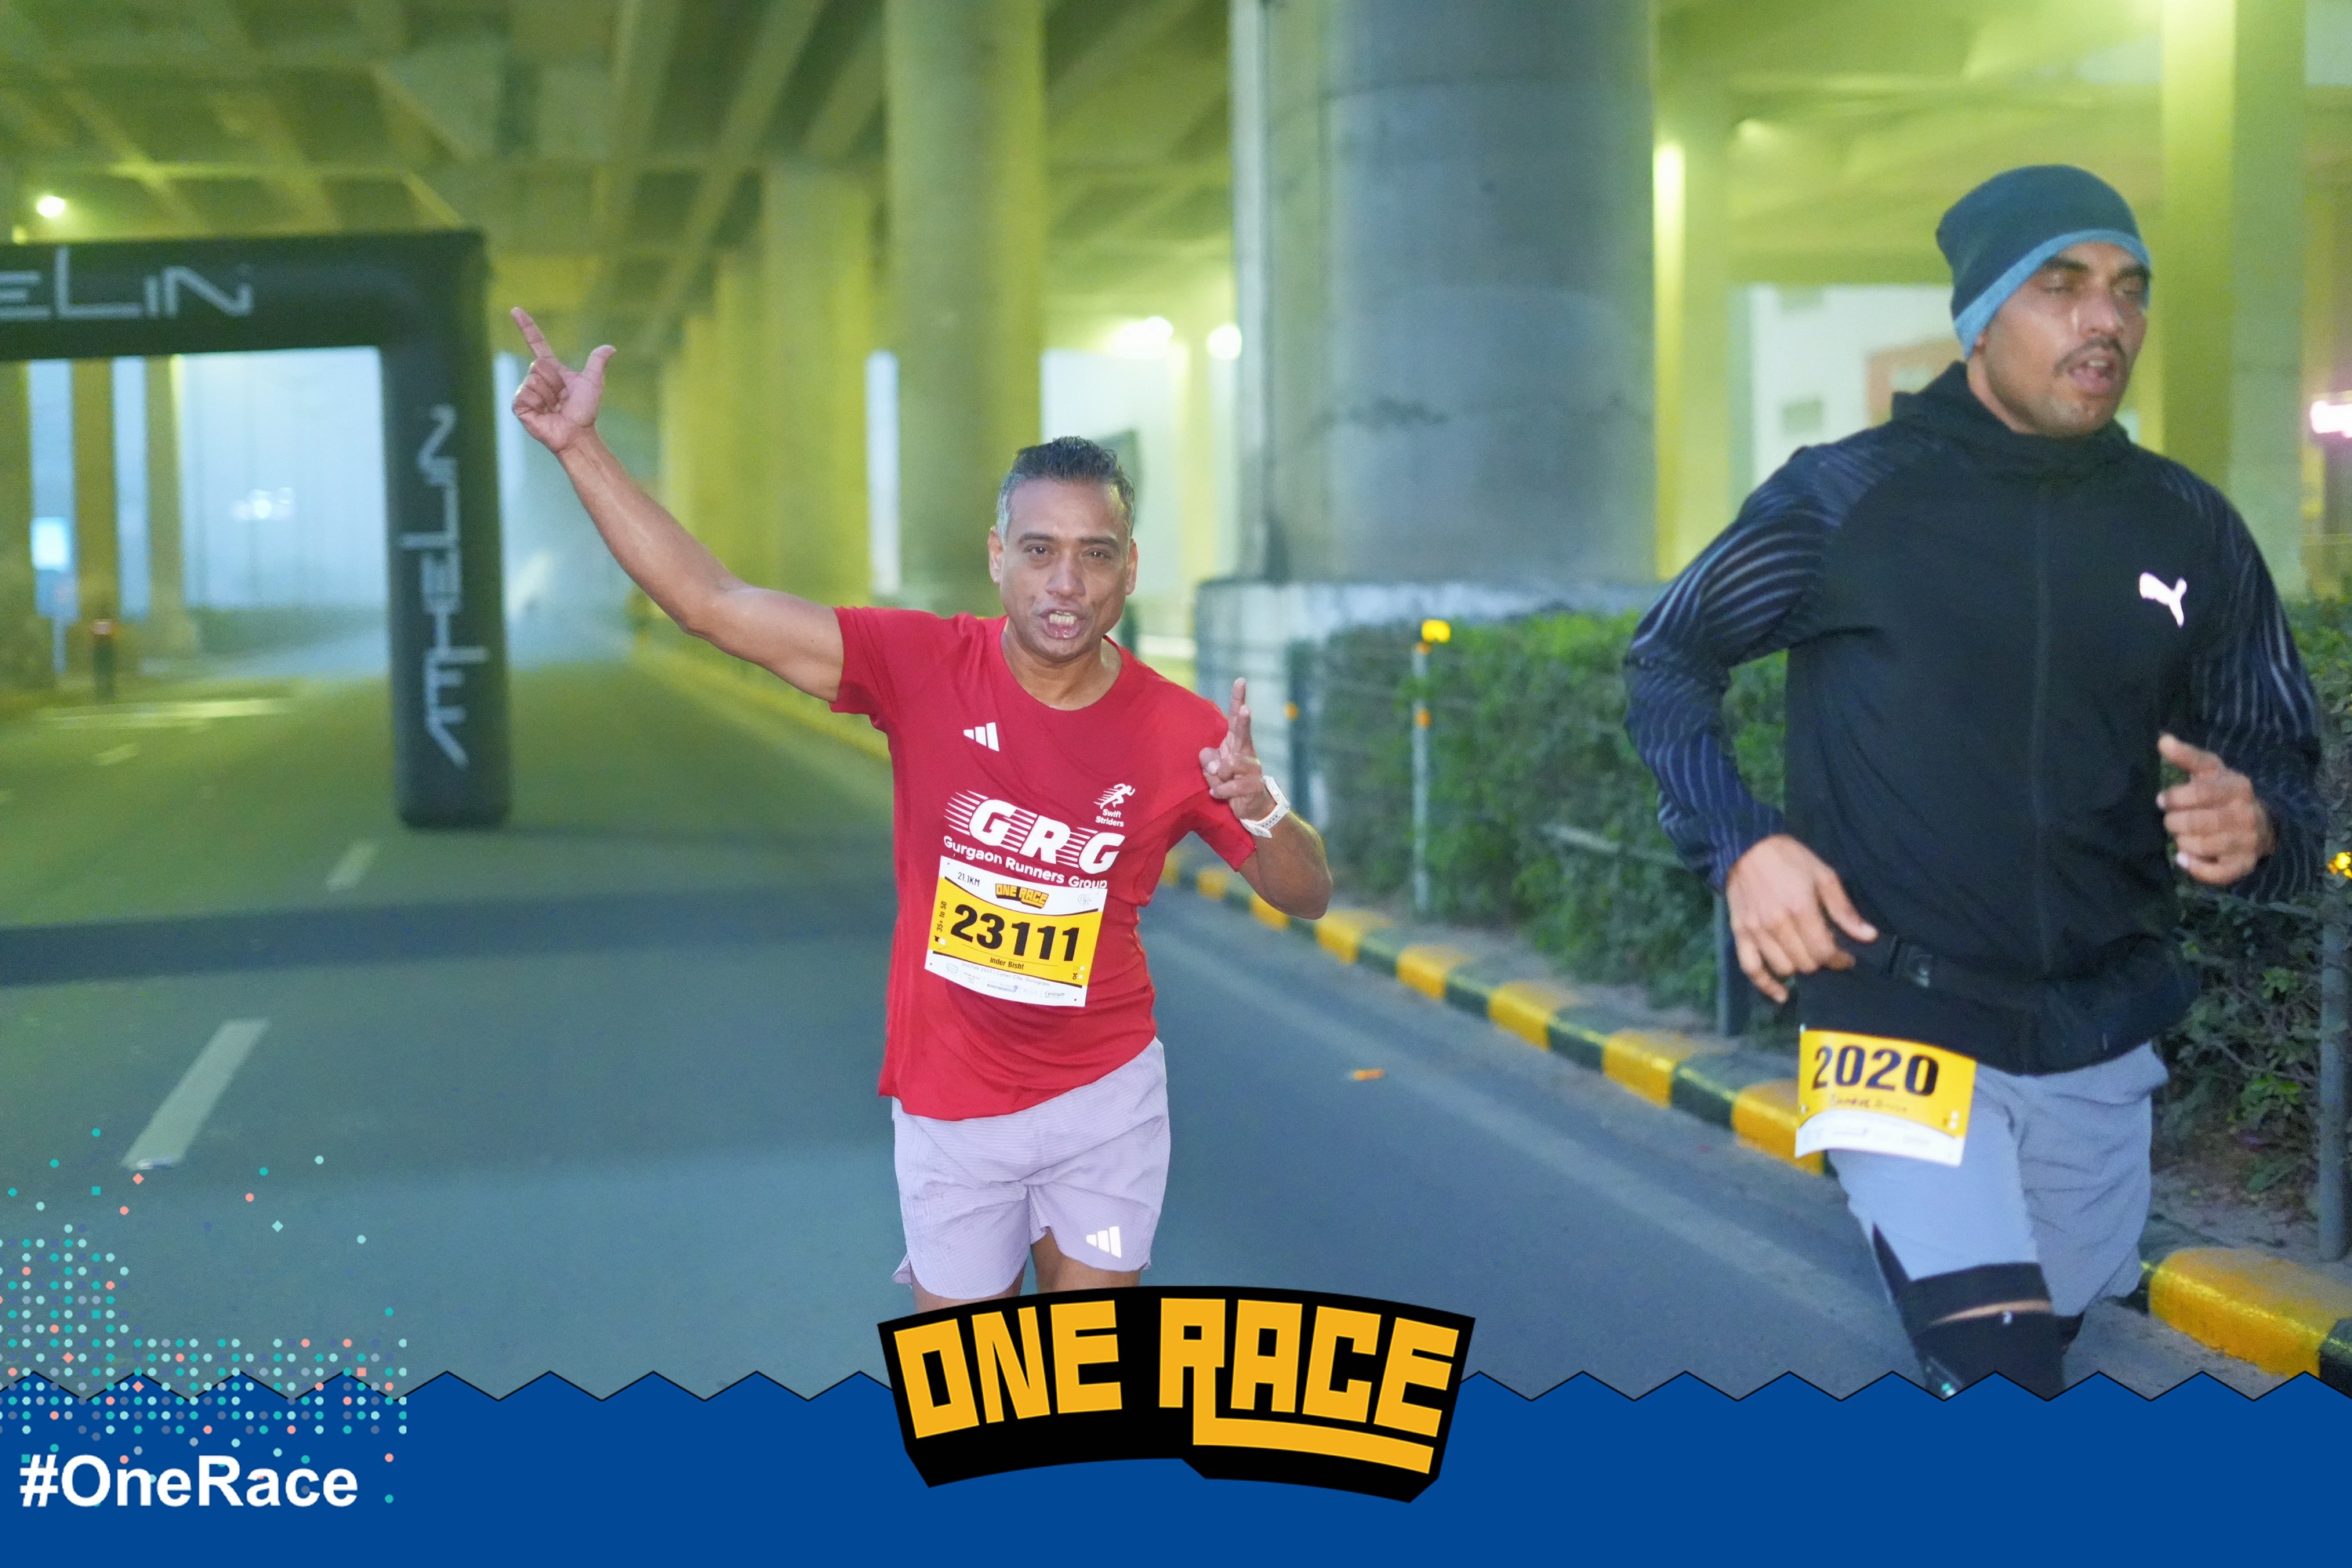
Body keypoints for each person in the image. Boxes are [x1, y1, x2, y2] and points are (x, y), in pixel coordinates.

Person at [1624, 165, 2322, 1397]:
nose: (2105, 320)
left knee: (2037, 1351)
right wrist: (1742, 845)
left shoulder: (2189, 527)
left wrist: (2258, 819)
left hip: (2102, 1029)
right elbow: (1669, 658)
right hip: (1897, 1014)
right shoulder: (1845, 496)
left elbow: (2286, 766)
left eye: (2128, 289)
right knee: (1998, 1369)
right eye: (2062, 286)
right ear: (1981, 319)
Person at [506, 309, 1333, 1310]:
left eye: (1095, 553)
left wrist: (1265, 806)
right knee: (971, 1386)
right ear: (996, 555)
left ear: (1129, 565)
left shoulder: (1184, 729)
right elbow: (711, 603)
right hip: (953, 1109)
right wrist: (579, 446)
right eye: (1039, 549)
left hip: (1107, 1100)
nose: (1066, 583)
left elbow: (1307, 893)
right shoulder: (922, 666)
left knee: (1086, 1374)